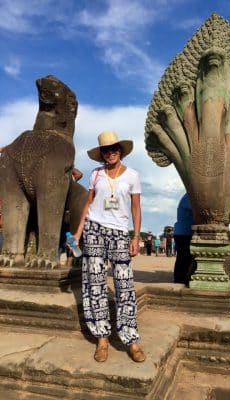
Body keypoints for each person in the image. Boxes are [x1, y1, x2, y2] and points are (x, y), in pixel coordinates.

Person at [73, 130, 145, 363]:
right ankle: (102, 339)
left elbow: (135, 208)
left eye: (114, 148)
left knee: (124, 284)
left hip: (120, 233)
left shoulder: (132, 176)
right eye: (106, 150)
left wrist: (135, 237)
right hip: (94, 229)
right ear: (101, 154)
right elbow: (89, 203)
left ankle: (131, 339)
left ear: (121, 151)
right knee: (95, 284)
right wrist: (78, 232)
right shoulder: (95, 174)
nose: (110, 153)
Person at [173, 193, 194, 284]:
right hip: (184, 232)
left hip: (182, 231)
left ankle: (180, 277)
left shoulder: (187, 197)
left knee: (183, 257)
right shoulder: (190, 197)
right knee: (184, 257)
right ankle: (180, 278)